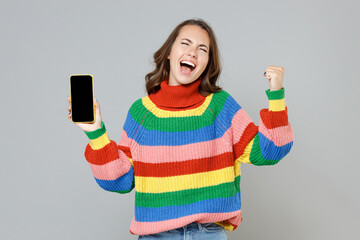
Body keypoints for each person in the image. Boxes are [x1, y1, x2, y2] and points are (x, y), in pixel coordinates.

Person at [67, 18, 294, 240]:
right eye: (185, 43)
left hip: (209, 234)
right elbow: (120, 181)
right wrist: (96, 132)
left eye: (202, 49)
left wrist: (276, 94)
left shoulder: (220, 106)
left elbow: (270, 151)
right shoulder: (142, 113)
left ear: (207, 63)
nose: (193, 52)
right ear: (168, 52)